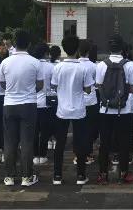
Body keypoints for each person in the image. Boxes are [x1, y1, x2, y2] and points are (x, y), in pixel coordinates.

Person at [0, 30, 44, 187]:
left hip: (9, 104)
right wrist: (28, 91)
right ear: (29, 44)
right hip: (28, 104)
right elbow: (40, 85)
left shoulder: (6, 62)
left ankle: (9, 176)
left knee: (9, 142)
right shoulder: (35, 62)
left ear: (14, 43)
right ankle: (27, 176)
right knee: (27, 142)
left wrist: (13, 90)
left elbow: (2, 84)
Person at [96, 34, 133, 184]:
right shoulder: (131, 65)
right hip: (124, 109)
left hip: (105, 110)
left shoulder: (101, 65)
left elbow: (99, 85)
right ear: (122, 48)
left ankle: (103, 174)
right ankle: (124, 173)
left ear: (109, 48)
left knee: (104, 143)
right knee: (124, 142)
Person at [51, 35, 94, 185]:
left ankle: (57, 175)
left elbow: (54, 86)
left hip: (62, 109)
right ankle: (81, 175)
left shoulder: (58, 67)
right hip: (79, 109)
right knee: (80, 143)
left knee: (60, 143)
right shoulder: (82, 68)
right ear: (77, 49)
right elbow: (88, 89)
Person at [29, 42, 54, 165]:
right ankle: (43, 154)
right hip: (46, 102)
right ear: (45, 53)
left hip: (32, 101)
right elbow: (54, 84)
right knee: (45, 131)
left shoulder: (31, 65)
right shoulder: (50, 67)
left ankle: (35, 155)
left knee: (34, 130)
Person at [79, 39, 100, 164]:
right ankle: (88, 153)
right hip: (91, 101)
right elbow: (97, 84)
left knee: (79, 129)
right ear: (89, 52)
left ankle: (78, 154)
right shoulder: (94, 66)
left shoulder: (75, 65)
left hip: (78, 101)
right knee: (90, 128)